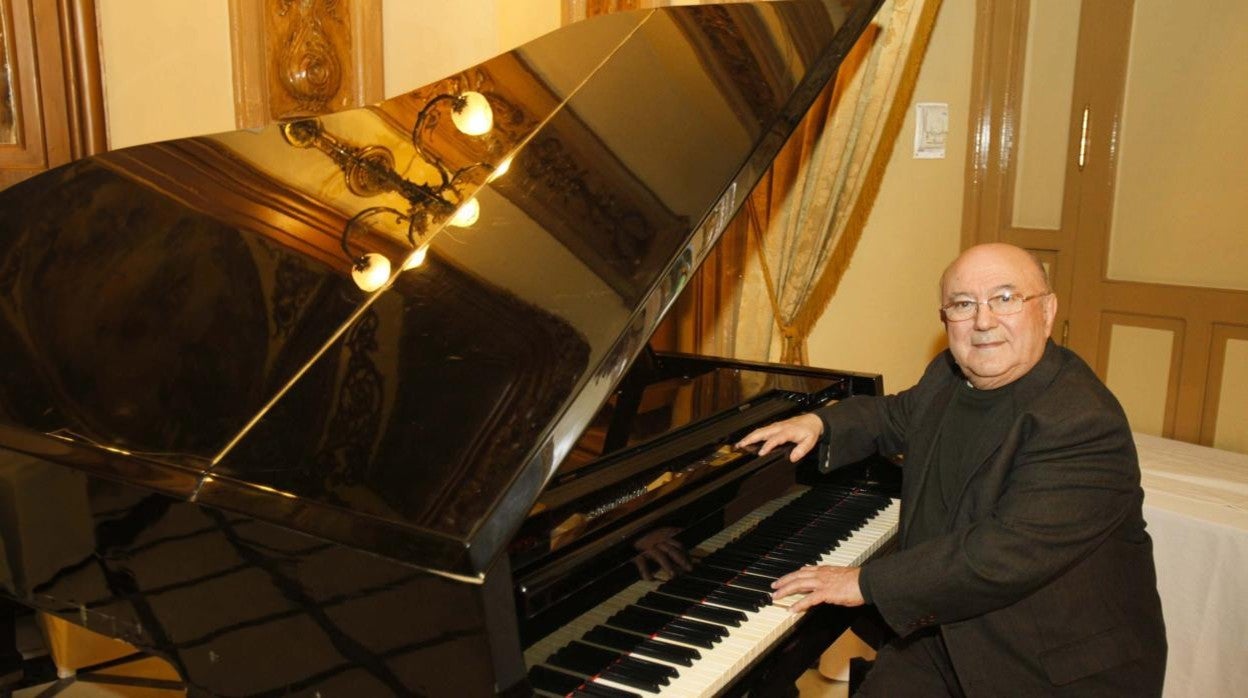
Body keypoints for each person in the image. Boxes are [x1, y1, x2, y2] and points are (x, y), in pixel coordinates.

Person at [737, 243, 1166, 696]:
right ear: (945, 320)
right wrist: (819, 422)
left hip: (1046, 661)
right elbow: (893, 416)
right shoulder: (948, 376)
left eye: (1005, 298)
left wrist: (865, 581)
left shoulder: (1081, 420)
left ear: (1047, 311)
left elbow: (1002, 555)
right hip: (942, 635)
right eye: (963, 305)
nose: (983, 321)